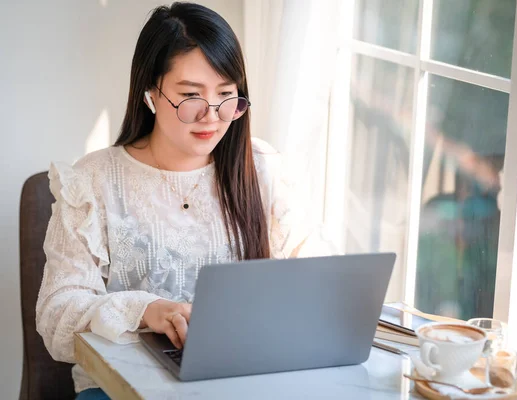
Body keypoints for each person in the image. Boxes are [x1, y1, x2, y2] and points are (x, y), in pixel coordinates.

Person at [35, 3, 314, 398]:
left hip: (240, 380)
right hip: (118, 388)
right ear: (151, 92)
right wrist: (145, 309)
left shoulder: (263, 170)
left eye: (226, 95)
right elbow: (56, 315)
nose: (212, 116)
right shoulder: (94, 182)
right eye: (190, 96)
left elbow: (314, 279)